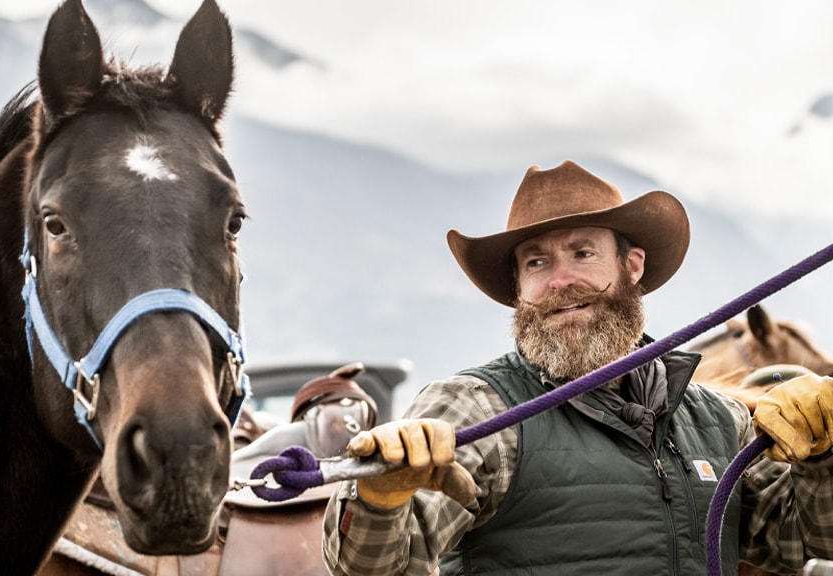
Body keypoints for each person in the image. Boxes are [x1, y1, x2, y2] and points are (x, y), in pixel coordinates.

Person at [321, 160, 833, 575]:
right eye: (537, 262)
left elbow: (804, 543)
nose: (560, 280)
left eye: (582, 253)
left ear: (632, 266)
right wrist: (378, 498)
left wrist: (823, 459)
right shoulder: (476, 406)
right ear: (519, 288)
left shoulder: (721, 421)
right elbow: (368, 569)